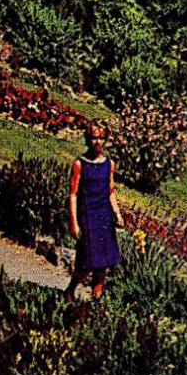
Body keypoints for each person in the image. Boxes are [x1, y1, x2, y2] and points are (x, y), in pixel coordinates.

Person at [65, 124, 123, 300]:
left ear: (105, 140)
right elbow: (73, 194)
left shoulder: (109, 164)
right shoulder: (79, 164)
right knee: (86, 261)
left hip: (104, 216)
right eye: (93, 137)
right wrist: (74, 222)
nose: (96, 142)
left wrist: (117, 214)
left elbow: (110, 191)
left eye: (100, 138)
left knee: (103, 263)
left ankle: (96, 298)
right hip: (87, 216)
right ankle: (70, 290)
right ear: (87, 139)